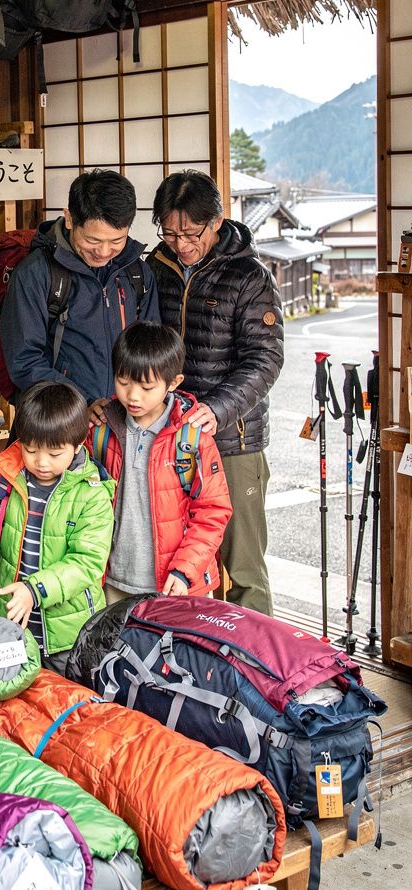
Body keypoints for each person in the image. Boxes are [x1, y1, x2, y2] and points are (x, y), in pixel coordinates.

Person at [145, 170, 284, 615]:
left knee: (243, 567)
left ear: (217, 222)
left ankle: (255, 655)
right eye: (170, 233)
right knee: (183, 560)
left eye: (191, 233)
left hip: (232, 439)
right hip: (170, 435)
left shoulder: (249, 275)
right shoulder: (156, 268)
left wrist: (217, 409)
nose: (181, 244)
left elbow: (266, 359)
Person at [0, 380, 114, 675]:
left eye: (55, 454)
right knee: (7, 694)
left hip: (66, 633)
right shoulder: (4, 474)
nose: (41, 462)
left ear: (78, 444)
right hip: (7, 619)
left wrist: (35, 589)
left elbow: (87, 562)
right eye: (30, 449)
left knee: (61, 697)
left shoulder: (91, 493)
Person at [87, 322, 231, 602]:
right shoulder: (101, 431)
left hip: (177, 585)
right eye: (123, 382)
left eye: (147, 387)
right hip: (114, 582)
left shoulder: (192, 438)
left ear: (173, 383)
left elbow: (213, 511)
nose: (133, 396)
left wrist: (185, 570)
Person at [0, 170, 159, 408]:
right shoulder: (37, 273)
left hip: (125, 415)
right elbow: (25, 361)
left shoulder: (136, 272)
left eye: (116, 241)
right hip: (60, 418)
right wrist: (82, 404)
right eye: (93, 240)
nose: (103, 252)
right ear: (69, 219)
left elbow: (152, 351)